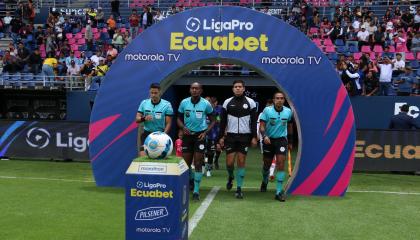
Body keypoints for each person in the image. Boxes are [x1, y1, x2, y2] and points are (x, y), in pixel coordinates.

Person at [218, 80, 258, 199]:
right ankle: (231, 176)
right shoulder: (227, 102)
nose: (238, 88)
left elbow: (254, 122)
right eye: (236, 87)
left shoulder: (251, 103)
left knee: (241, 162)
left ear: (244, 88)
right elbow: (223, 122)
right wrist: (220, 137)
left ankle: (239, 188)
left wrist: (254, 137)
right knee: (229, 163)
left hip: (245, 137)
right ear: (233, 89)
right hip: (230, 136)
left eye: (240, 87)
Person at [177, 83, 215, 201]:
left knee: (198, 163)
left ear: (201, 90)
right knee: (186, 164)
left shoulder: (206, 104)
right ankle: (191, 181)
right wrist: (183, 128)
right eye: (192, 88)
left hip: (200, 136)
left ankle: (196, 191)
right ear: (190, 90)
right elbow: (178, 118)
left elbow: (213, 120)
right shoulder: (184, 102)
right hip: (188, 137)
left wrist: (205, 132)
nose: (194, 90)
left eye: (197, 88)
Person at [259, 92, 293, 202]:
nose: (279, 100)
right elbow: (262, 125)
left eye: (282, 98)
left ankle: (278, 192)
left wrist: (291, 141)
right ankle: (265, 181)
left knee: (281, 164)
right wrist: (264, 136)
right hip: (269, 140)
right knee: (267, 164)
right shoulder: (267, 110)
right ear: (273, 100)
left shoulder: (288, 111)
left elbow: (290, 126)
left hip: (281, 140)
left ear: (284, 100)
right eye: (277, 98)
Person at [135, 83, 174, 156]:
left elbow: (168, 123)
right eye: (151, 93)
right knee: (143, 156)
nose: (153, 95)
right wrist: (144, 118)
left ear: (160, 92)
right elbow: (137, 119)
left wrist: (163, 135)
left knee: (158, 158)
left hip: (160, 134)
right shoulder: (144, 103)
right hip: (147, 134)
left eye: (155, 93)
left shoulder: (167, 105)